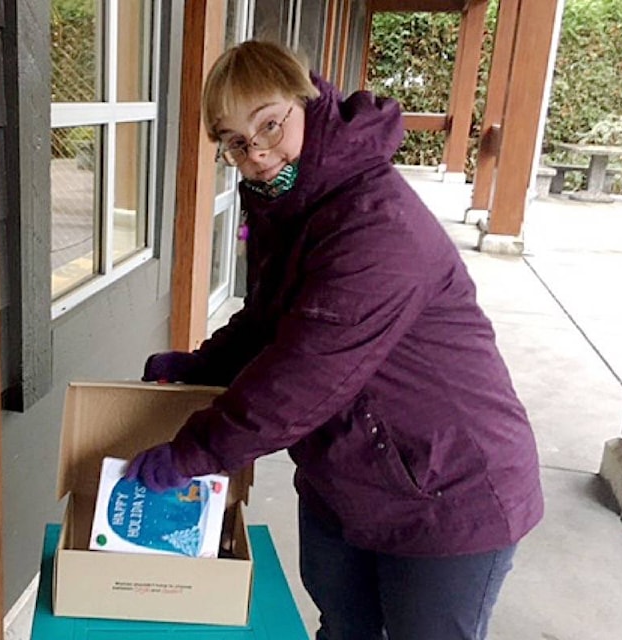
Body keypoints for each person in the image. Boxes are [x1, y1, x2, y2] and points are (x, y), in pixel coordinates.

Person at [124, 40, 543, 640]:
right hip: (347, 478)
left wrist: (195, 452)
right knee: (343, 630)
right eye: (235, 143)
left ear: (308, 99)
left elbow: (304, 375)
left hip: (448, 491)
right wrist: (203, 364)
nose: (259, 153)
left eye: (269, 124)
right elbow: (273, 318)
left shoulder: (376, 224)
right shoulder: (288, 204)